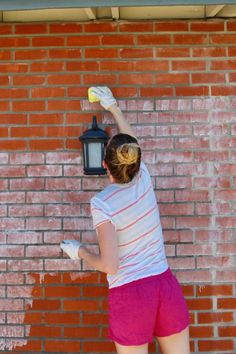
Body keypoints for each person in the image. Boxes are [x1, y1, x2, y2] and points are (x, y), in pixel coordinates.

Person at [61, 87, 190, 354]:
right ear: (133, 161)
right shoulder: (143, 177)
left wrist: (79, 251)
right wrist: (113, 106)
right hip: (165, 287)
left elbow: (109, 265)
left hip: (131, 295)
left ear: (104, 165)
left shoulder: (103, 203)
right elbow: (132, 143)